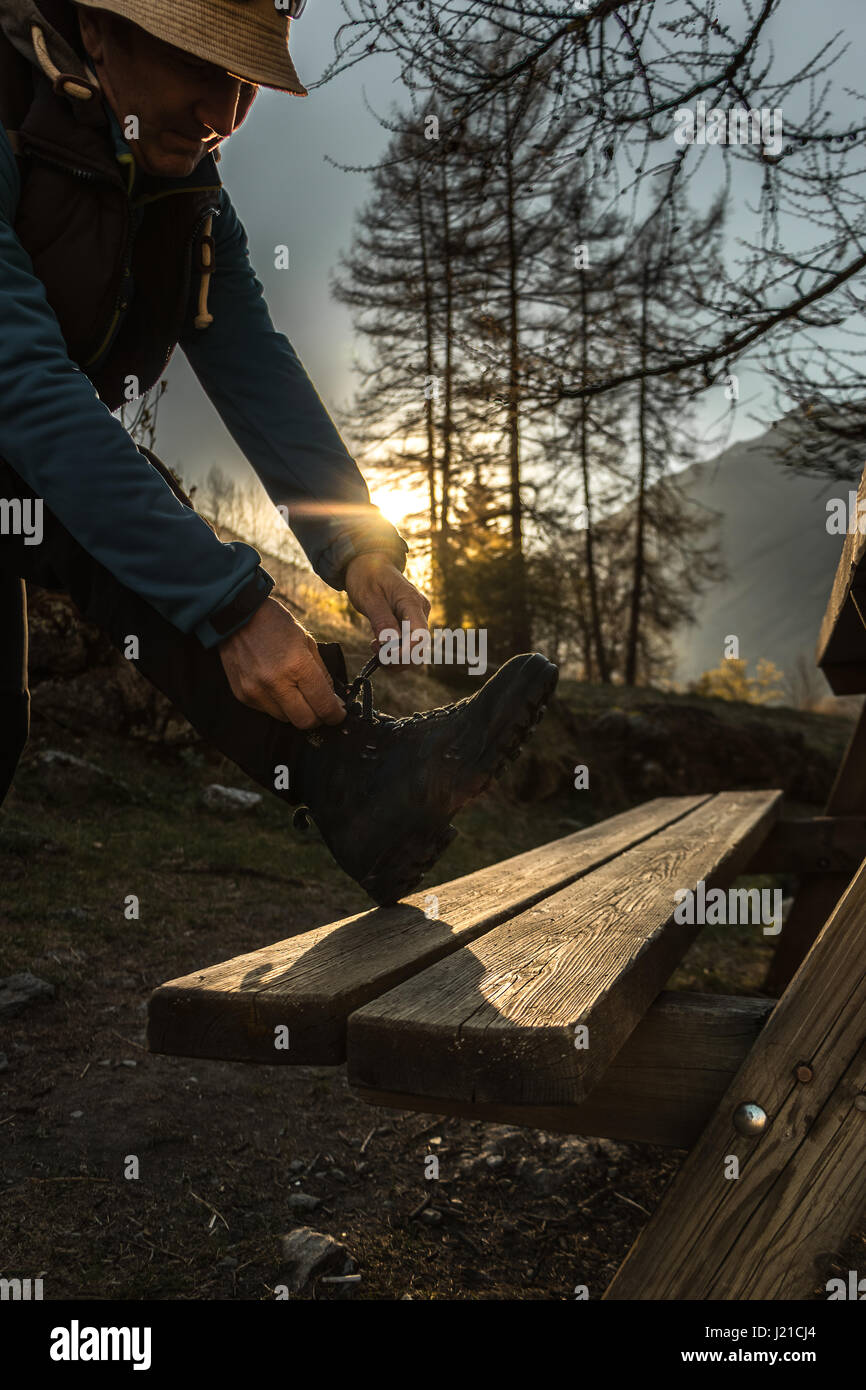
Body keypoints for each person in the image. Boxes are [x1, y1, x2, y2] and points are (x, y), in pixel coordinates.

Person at [0, 0, 557, 905]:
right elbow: (22, 385)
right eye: (197, 63)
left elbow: (254, 362)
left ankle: (355, 783)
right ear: (98, 29)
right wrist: (230, 606)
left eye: (242, 80)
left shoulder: (187, 191)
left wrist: (360, 546)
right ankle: (351, 782)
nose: (222, 111)